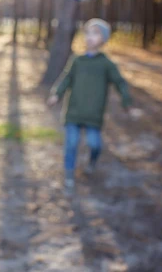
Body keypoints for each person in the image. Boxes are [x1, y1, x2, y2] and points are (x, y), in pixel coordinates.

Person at [47, 18, 139, 195]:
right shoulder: (77, 61)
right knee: (71, 144)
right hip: (74, 112)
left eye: (96, 33)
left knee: (94, 144)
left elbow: (120, 83)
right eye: (88, 32)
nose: (90, 37)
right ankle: (69, 175)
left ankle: (92, 162)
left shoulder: (106, 64)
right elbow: (66, 78)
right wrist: (56, 94)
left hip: (93, 115)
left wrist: (127, 103)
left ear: (103, 40)